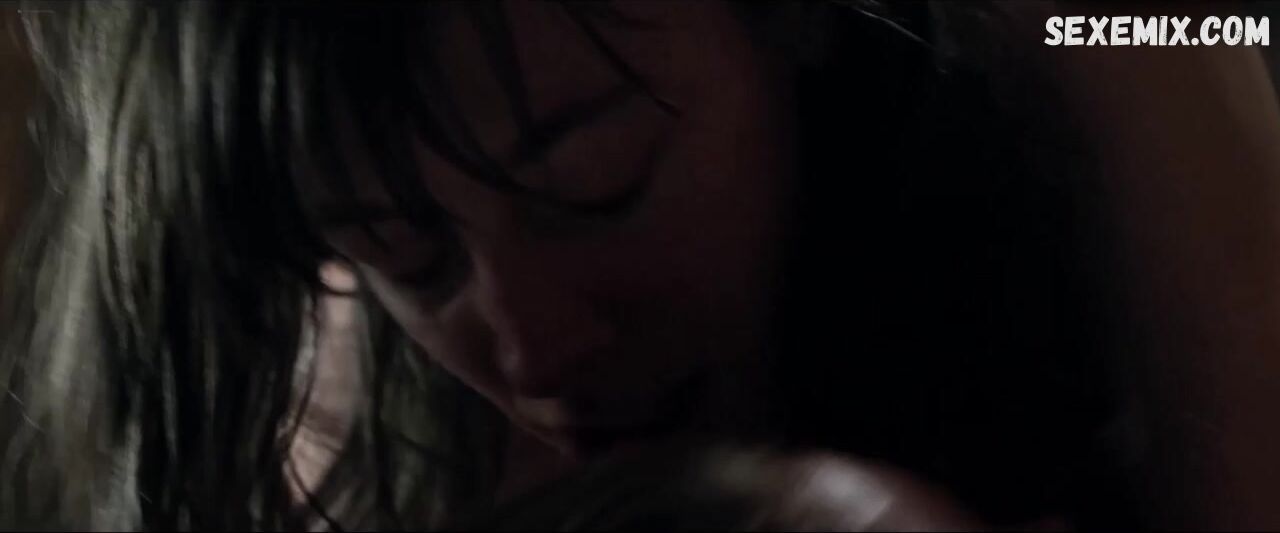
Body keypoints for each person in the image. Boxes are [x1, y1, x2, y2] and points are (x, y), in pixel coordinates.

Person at [3, 1, 1279, 530]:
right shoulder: (362, 432)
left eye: (595, 184)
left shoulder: (1073, 79)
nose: (532, 343)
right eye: (404, 256)